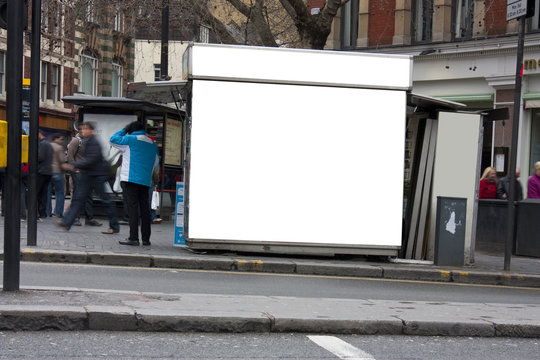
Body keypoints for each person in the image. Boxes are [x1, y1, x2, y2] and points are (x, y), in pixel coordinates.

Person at [57, 122, 119, 234]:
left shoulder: (94, 142)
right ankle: (67, 221)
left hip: (97, 175)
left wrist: (73, 165)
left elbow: (92, 159)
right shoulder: (88, 141)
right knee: (78, 198)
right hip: (89, 174)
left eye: (85, 129)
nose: (82, 131)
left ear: (91, 130)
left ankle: (114, 226)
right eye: (81, 129)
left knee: (106, 200)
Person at [110, 121, 159, 246]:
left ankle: (133, 238)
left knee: (132, 208)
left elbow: (113, 139)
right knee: (145, 209)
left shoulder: (130, 139)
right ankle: (146, 239)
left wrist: (124, 129)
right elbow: (155, 163)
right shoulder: (152, 144)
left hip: (130, 179)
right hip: (145, 181)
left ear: (131, 130)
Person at [66, 124, 101, 227]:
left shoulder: (88, 141)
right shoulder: (76, 141)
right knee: (78, 195)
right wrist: (75, 169)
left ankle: (89, 218)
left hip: (86, 173)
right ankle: (75, 218)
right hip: (78, 173)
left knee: (88, 196)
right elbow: (70, 156)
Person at [47, 134, 66, 218]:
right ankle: (58, 212)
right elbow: (62, 160)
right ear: (55, 139)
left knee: (47, 193)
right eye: (61, 139)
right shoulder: (59, 148)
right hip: (57, 172)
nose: (62, 141)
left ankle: (47, 211)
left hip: (48, 172)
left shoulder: (47, 146)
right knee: (60, 193)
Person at [37, 130, 53, 219]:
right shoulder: (49, 144)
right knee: (44, 193)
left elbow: (40, 157)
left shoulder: (42, 144)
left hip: (41, 171)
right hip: (48, 171)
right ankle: (43, 212)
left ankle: (39, 212)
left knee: (38, 192)